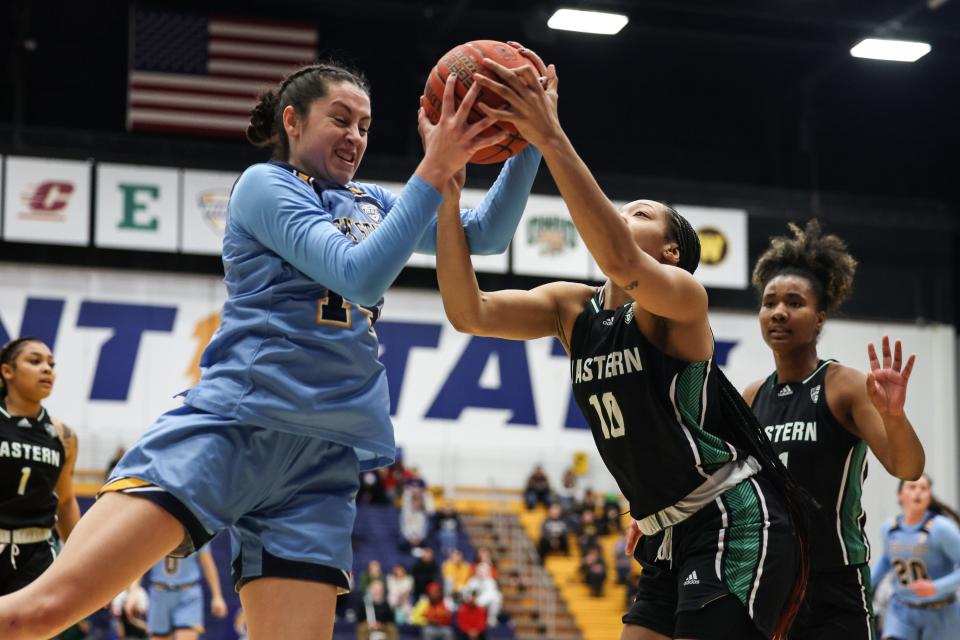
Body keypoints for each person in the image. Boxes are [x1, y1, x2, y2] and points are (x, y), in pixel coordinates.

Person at [0, 52, 545, 640]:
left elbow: (486, 235)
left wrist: (532, 140)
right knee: (41, 614)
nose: (355, 136)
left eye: (364, 126)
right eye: (340, 119)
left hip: (322, 460)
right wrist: (433, 171)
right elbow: (359, 276)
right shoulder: (265, 186)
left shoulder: (372, 203)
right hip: (232, 428)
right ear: (292, 121)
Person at [437, 50, 814, 640]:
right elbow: (468, 312)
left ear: (668, 253)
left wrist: (548, 133)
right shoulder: (571, 308)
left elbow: (617, 255)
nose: (619, 213)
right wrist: (446, 192)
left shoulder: (682, 303)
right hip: (664, 533)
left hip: (730, 518)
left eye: (638, 213)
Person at [744, 220, 926, 640]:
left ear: (819, 317)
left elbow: (907, 466)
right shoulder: (752, 397)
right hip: (773, 579)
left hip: (835, 581)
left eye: (794, 302)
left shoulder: (844, 385)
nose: (779, 312)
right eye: (769, 302)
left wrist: (894, 417)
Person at [0, 337, 80, 595]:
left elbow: (66, 501)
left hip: (37, 553)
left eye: (51, 364)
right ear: (7, 371)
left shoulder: (64, 435)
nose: (47, 369)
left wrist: (81, 560)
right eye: (35, 361)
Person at [871, 474, 960, 640]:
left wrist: (936, 587)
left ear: (929, 496)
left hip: (941, 613)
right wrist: (866, 586)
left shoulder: (942, 529)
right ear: (900, 495)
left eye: (924, 488)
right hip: (901, 610)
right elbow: (885, 560)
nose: (918, 492)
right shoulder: (889, 528)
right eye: (912, 487)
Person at [135, 545, 228, 640]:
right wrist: (133, 591)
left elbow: (207, 561)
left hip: (188, 593)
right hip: (159, 593)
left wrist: (217, 596)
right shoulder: (152, 531)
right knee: (158, 636)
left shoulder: (197, 530)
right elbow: (141, 560)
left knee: (186, 635)